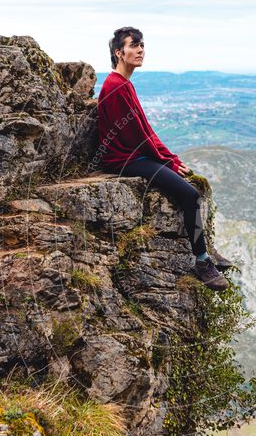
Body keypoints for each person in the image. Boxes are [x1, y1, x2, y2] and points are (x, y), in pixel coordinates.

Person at [96, 26, 234, 292]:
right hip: (123, 160)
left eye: (142, 45)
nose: (140, 50)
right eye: (133, 45)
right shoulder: (115, 85)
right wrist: (166, 161)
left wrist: (169, 157)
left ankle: (205, 247)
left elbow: (145, 129)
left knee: (192, 183)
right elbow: (136, 135)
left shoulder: (124, 83)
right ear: (118, 53)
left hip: (133, 155)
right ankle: (202, 261)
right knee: (190, 194)